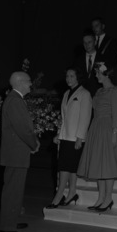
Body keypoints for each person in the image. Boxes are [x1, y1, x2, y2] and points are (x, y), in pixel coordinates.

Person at [0, 71, 40, 232]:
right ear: (20, 82)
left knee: (14, 190)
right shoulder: (15, 101)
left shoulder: (13, 100)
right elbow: (24, 128)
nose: (31, 84)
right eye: (29, 81)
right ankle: (7, 227)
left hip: (15, 153)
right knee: (13, 191)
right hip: (16, 153)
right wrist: (34, 143)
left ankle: (10, 221)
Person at [77, 62, 117, 212]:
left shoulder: (114, 91)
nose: (96, 75)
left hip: (108, 128)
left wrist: (115, 133)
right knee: (99, 163)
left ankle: (108, 198)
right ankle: (101, 197)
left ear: (106, 74)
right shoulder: (98, 92)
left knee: (108, 164)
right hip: (96, 128)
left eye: (98, 73)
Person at [45, 67, 92, 209]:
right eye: (67, 76)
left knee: (65, 167)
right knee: (70, 167)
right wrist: (59, 134)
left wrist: (80, 137)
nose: (68, 79)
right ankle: (72, 192)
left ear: (78, 77)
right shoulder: (66, 94)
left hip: (75, 137)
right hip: (65, 136)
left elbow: (85, 117)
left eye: (72, 76)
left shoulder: (85, 94)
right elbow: (63, 118)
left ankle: (59, 195)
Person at [73, 29, 103, 97]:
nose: (87, 45)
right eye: (85, 43)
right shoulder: (78, 60)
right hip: (81, 97)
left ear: (95, 42)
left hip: (99, 97)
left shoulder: (103, 58)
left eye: (89, 42)